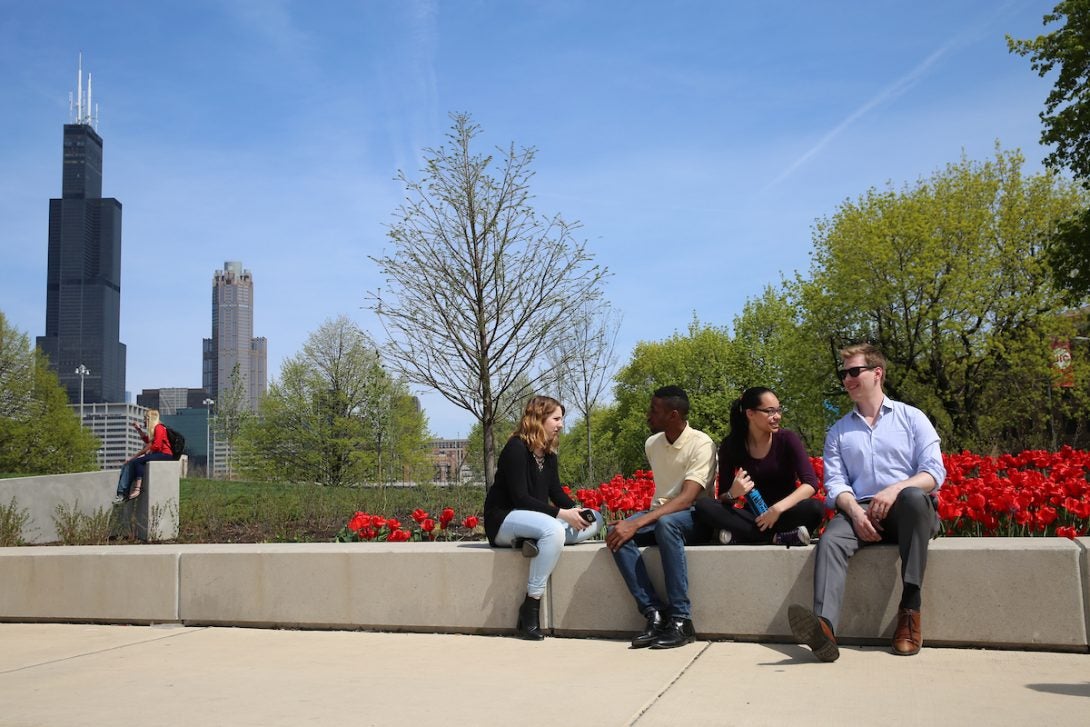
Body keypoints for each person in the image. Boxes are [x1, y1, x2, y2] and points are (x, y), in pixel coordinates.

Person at [789, 343, 945, 661]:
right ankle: (825, 629)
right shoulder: (838, 432)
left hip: (908, 511)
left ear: (877, 373)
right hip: (860, 511)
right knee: (831, 538)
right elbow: (835, 485)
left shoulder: (912, 418)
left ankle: (910, 612)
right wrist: (856, 513)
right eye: (843, 374)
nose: (846, 379)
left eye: (853, 372)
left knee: (915, 497)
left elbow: (933, 472)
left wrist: (895, 490)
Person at [483, 396, 604, 641]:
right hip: (504, 519)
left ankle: (535, 541)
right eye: (556, 419)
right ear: (539, 419)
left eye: (561, 419)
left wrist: (576, 510)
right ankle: (530, 606)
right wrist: (562, 515)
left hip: (534, 520)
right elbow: (520, 498)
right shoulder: (516, 448)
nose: (560, 424)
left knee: (597, 519)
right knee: (554, 530)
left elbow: (556, 493)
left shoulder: (548, 454)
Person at [606, 385, 716, 649]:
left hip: (695, 518)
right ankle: (654, 613)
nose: (648, 415)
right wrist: (630, 524)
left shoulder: (702, 444)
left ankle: (681, 620)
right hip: (662, 515)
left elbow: (688, 498)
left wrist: (639, 522)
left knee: (665, 525)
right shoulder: (652, 443)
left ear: (673, 415)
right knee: (618, 533)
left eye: (654, 410)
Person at [693, 387, 824, 547]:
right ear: (750, 414)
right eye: (770, 412)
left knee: (815, 508)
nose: (777, 417)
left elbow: (811, 484)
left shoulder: (787, 439)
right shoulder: (731, 445)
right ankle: (778, 537)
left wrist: (776, 510)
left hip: (785, 512)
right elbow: (723, 498)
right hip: (752, 516)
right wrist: (733, 493)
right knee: (703, 506)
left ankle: (747, 536)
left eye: (778, 410)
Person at [112, 409, 174, 504]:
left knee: (137, 461)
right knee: (127, 465)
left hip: (165, 454)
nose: (144, 421)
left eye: (145, 419)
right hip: (159, 454)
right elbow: (147, 440)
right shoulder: (156, 429)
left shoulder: (159, 427)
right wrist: (138, 429)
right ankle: (122, 493)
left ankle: (137, 488)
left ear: (150, 419)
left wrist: (143, 453)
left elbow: (156, 445)